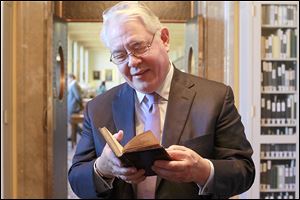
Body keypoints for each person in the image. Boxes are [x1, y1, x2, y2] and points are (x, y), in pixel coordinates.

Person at [68, 2, 255, 199]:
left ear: (164, 39)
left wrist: (203, 170)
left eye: (138, 47)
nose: (132, 61)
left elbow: (244, 172)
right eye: (120, 55)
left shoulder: (215, 98)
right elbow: (77, 179)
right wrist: (102, 168)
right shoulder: (98, 108)